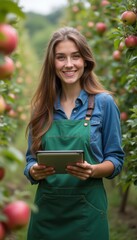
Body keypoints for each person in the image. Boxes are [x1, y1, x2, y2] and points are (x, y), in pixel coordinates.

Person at [24, 26, 124, 240]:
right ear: (52, 63)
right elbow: (30, 159)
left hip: (87, 215)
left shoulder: (104, 104)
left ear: (85, 61)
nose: (69, 64)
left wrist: (93, 170)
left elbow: (115, 160)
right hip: (47, 215)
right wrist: (33, 171)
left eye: (75, 57)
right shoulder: (42, 108)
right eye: (61, 57)